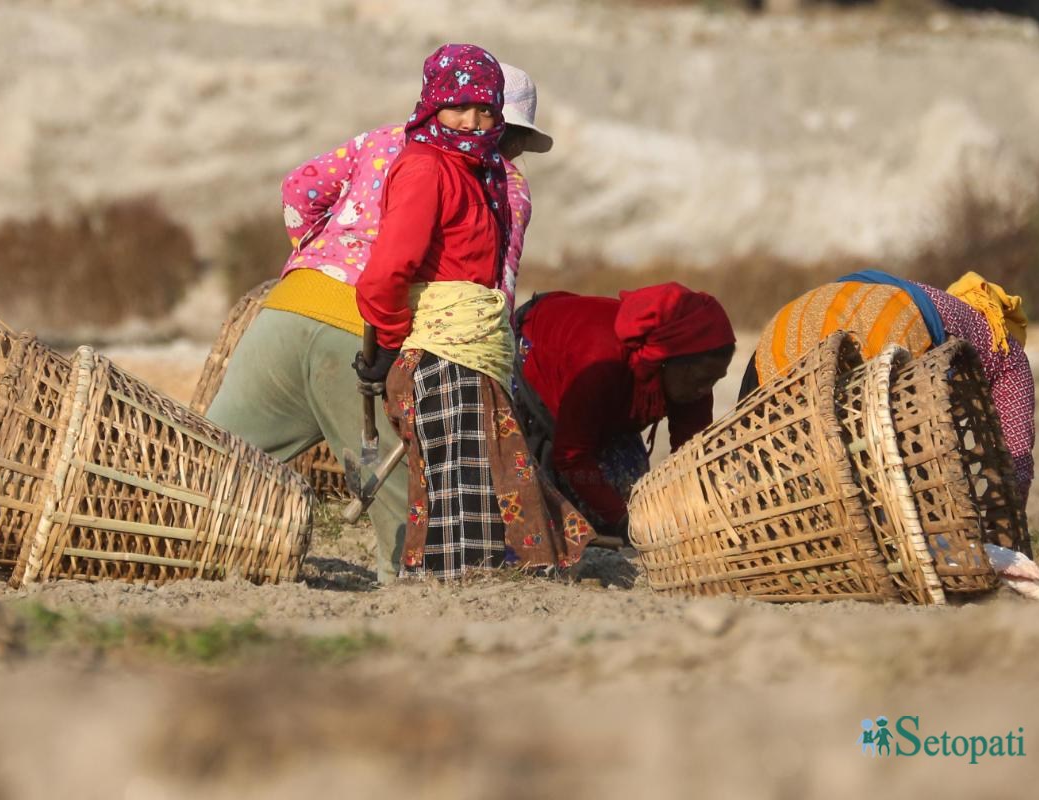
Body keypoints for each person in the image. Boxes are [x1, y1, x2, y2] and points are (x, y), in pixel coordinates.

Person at [206, 60, 553, 584]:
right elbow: (492, 295)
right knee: (406, 501)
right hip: (367, 336)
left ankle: (164, 556)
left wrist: (320, 255)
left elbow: (299, 188)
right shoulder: (502, 184)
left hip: (285, 311)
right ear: (515, 131)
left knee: (212, 465)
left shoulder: (384, 140)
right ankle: (409, 607)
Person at [354, 43, 591, 579]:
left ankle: (482, 584)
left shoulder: (478, 174)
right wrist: (390, 343)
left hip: (470, 350)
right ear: (432, 104)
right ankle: (458, 596)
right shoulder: (424, 168)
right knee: (459, 484)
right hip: (443, 355)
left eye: (486, 110)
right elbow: (387, 271)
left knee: (484, 477)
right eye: (459, 107)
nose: (473, 121)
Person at [739, 269, 1035, 507]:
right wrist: (1008, 524)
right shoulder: (1006, 349)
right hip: (885, 323)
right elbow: (1016, 456)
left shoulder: (935, 300)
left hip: (800, 315)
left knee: (772, 444)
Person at [511, 284, 737, 542]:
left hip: (606, 393)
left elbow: (692, 457)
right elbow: (572, 454)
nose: (705, 390)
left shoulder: (692, 377)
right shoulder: (599, 361)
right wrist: (625, 521)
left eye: (714, 380)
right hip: (541, 358)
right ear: (665, 361)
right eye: (700, 379)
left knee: (633, 488)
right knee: (569, 512)